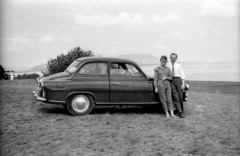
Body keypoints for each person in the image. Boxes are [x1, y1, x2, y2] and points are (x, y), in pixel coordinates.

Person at [167, 53, 185, 118]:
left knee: (180, 96)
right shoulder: (167, 65)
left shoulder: (179, 65)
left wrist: (183, 84)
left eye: (174, 58)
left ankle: (182, 112)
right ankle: (178, 111)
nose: (173, 59)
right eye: (171, 58)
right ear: (170, 58)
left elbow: (182, 75)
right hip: (171, 80)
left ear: (176, 58)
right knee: (175, 96)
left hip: (178, 80)